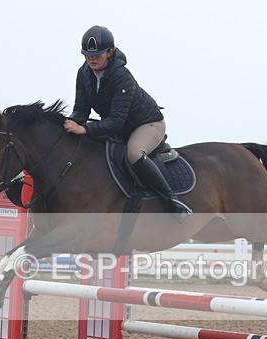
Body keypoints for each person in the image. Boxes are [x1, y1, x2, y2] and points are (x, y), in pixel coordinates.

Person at [64, 25, 192, 221]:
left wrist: (86, 128)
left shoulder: (121, 76)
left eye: (97, 54)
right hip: (121, 127)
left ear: (110, 52)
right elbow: (81, 109)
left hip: (147, 124)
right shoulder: (83, 74)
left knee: (134, 153)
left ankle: (173, 201)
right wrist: (68, 124)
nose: (92, 59)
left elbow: (115, 121)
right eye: (87, 55)